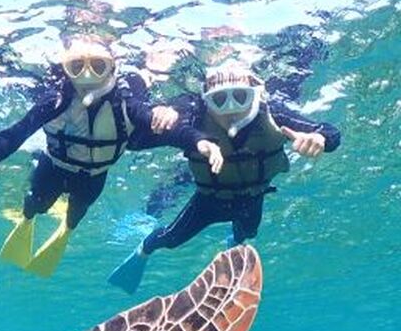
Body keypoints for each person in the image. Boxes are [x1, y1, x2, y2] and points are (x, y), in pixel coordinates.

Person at [0, 35, 205, 277]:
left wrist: (194, 135)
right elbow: (10, 138)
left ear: (112, 68)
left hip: (94, 176)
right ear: (66, 69)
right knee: (34, 204)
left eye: (98, 66)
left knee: (76, 214)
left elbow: (172, 127)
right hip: (53, 167)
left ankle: (66, 228)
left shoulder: (127, 102)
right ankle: (27, 220)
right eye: (77, 66)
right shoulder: (55, 100)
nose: (87, 76)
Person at [108, 62, 342, 293]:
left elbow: (329, 131)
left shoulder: (275, 114)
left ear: (256, 95)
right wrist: (159, 113)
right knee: (170, 238)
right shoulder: (194, 112)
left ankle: (232, 245)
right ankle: (143, 250)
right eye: (219, 100)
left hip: (252, 197)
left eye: (240, 97)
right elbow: (137, 137)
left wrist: (320, 139)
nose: (231, 109)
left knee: (246, 234)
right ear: (206, 100)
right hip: (208, 200)